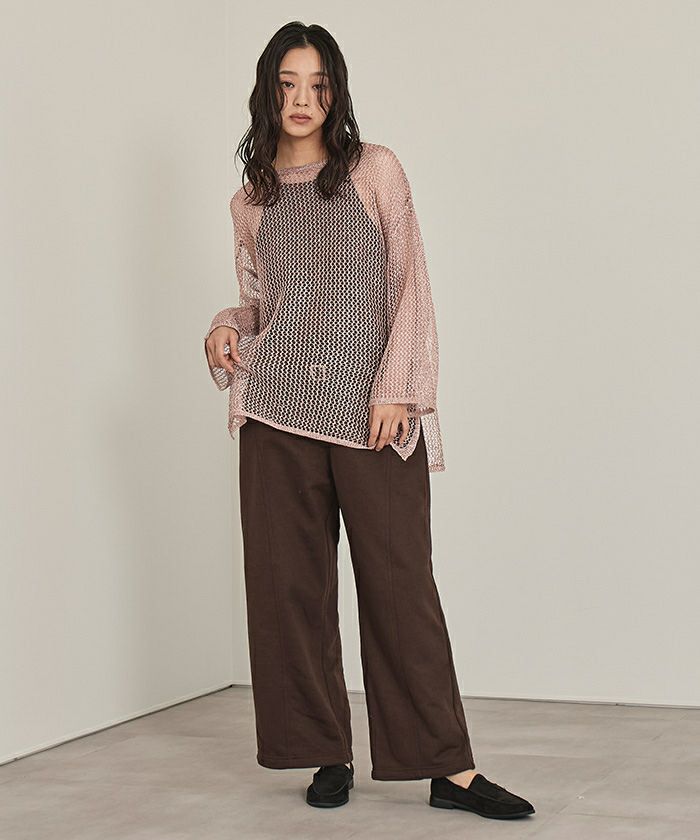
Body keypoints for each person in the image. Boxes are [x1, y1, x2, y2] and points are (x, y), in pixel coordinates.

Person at [204, 20, 535, 821]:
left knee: (399, 584)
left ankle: (448, 769)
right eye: (287, 83)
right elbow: (265, 305)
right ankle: (326, 751)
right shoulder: (250, 201)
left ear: (337, 93)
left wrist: (398, 387)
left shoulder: (373, 171)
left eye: (317, 85)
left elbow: (410, 282)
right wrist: (225, 326)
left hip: (372, 412)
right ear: (266, 91)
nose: (302, 99)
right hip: (278, 411)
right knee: (290, 590)